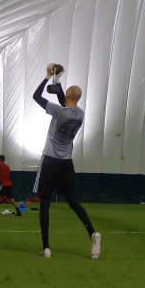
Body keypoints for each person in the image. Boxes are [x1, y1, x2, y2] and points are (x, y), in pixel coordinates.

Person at [32, 63, 101, 259]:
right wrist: (59, 80)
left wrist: (48, 77)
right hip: (67, 164)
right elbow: (65, 100)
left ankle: (46, 247)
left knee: (45, 203)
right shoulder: (80, 114)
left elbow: (36, 97)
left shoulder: (59, 111)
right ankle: (92, 233)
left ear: (68, 96)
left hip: (50, 161)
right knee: (73, 202)